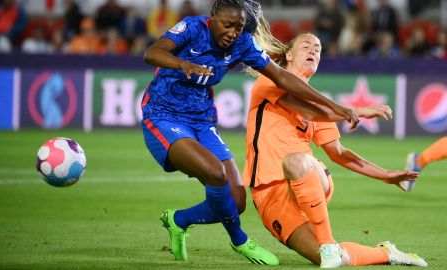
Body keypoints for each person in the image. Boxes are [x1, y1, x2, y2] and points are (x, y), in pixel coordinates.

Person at [141, 0, 359, 265]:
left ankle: (178, 220)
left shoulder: (243, 43)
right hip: (164, 114)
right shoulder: (191, 27)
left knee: (236, 199)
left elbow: (282, 77)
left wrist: (335, 106)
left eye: (239, 27)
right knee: (215, 173)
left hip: (202, 119)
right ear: (212, 17)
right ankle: (240, 241)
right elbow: (152, 53)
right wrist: (183, 65)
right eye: (228, 24)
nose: (233, 32)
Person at [243, 32, 427, 268]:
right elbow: (308, 110)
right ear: (288, 54)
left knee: (295, 161)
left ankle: (327, 242)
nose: (313, 51)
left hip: (308, 177)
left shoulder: (322, 104)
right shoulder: (270, 80)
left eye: (318, 49)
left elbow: (338, 153)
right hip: (268, 195)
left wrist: (386, 175)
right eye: (306, 46)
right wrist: (356, 111)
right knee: (329, 259)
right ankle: (386, 253)